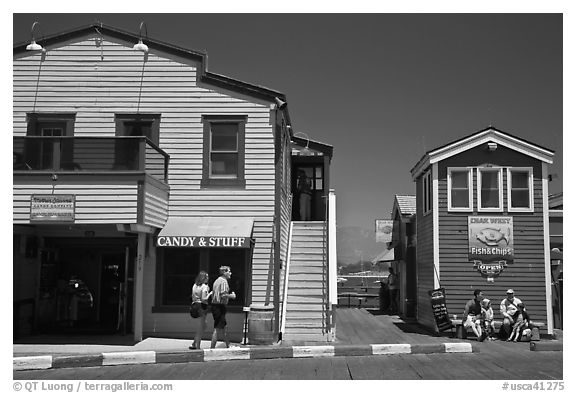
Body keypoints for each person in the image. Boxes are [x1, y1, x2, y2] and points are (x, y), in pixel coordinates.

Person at [210, 266, 236, 349]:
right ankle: (212, 348)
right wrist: (232, 296)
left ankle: (228, 345)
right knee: (217, 328)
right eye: (229, 271)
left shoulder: (217, 281)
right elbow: (223, 295)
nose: (230, 273)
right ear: (224, 272)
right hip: (219, 306)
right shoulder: (224, 281)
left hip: (215, 306)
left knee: (224, 327)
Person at [190, 271, 212, 350]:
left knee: (204, 326)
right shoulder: (204, 286)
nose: (208, 278)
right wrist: (210, 294)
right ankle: (197, 347)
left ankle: (194, 342)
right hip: (202, 307)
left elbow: (193, 296)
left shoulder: (194, 285)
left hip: (194, 305)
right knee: (201, 327)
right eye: (207, 277)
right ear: (203, 278)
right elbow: (204, 299)